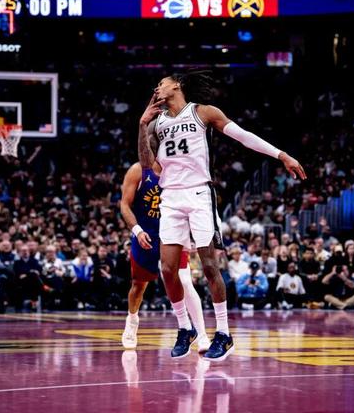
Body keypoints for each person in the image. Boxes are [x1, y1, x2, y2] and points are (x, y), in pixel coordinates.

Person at [138, 70, 307, 361]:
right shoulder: (156, 123)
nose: (157, 88)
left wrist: (281, 155)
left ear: (177, 85)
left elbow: (243, 136)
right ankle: (185, 328)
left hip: (199, 194)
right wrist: (142, 126)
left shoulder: (203, 112)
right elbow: (147, 166)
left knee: (209, 266)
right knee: (167, 269)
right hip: (171, 198)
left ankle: (224, 334)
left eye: (161, 83)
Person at [119, 161, 210, 353]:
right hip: (146, 232)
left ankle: (202, 336)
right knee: (138, 286)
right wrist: (137, 230)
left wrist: (194, 231)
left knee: (185, 281)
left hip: (173, 232)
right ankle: (132, 320)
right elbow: (124, 205)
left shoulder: (180, 169)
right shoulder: (138, 170)